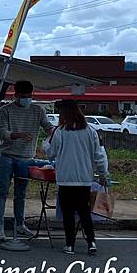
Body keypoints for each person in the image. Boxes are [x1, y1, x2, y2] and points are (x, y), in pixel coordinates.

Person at [45, 99, 109, 255]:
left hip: (66, 178)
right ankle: (91, 242)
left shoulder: (60, 131)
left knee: (68, 213)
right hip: (84, 178)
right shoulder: (90, 130)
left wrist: (45, 143)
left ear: (65, 113)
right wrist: (102, 173)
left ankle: (70, 245)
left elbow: (51, 152)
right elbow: (99, 155)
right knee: (84, 211)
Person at [0, 80, 54, 241]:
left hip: (26, 158)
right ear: (16, 96)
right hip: (7, 156)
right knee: (2, 192)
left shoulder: (37, 110)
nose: (26, 99)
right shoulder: (5, 110)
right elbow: (1, 133)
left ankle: (20, 225)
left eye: (29, 96)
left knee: (20, 194)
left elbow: (48, 126)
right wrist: (17, 135)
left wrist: (54, 133)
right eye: (23, 96)